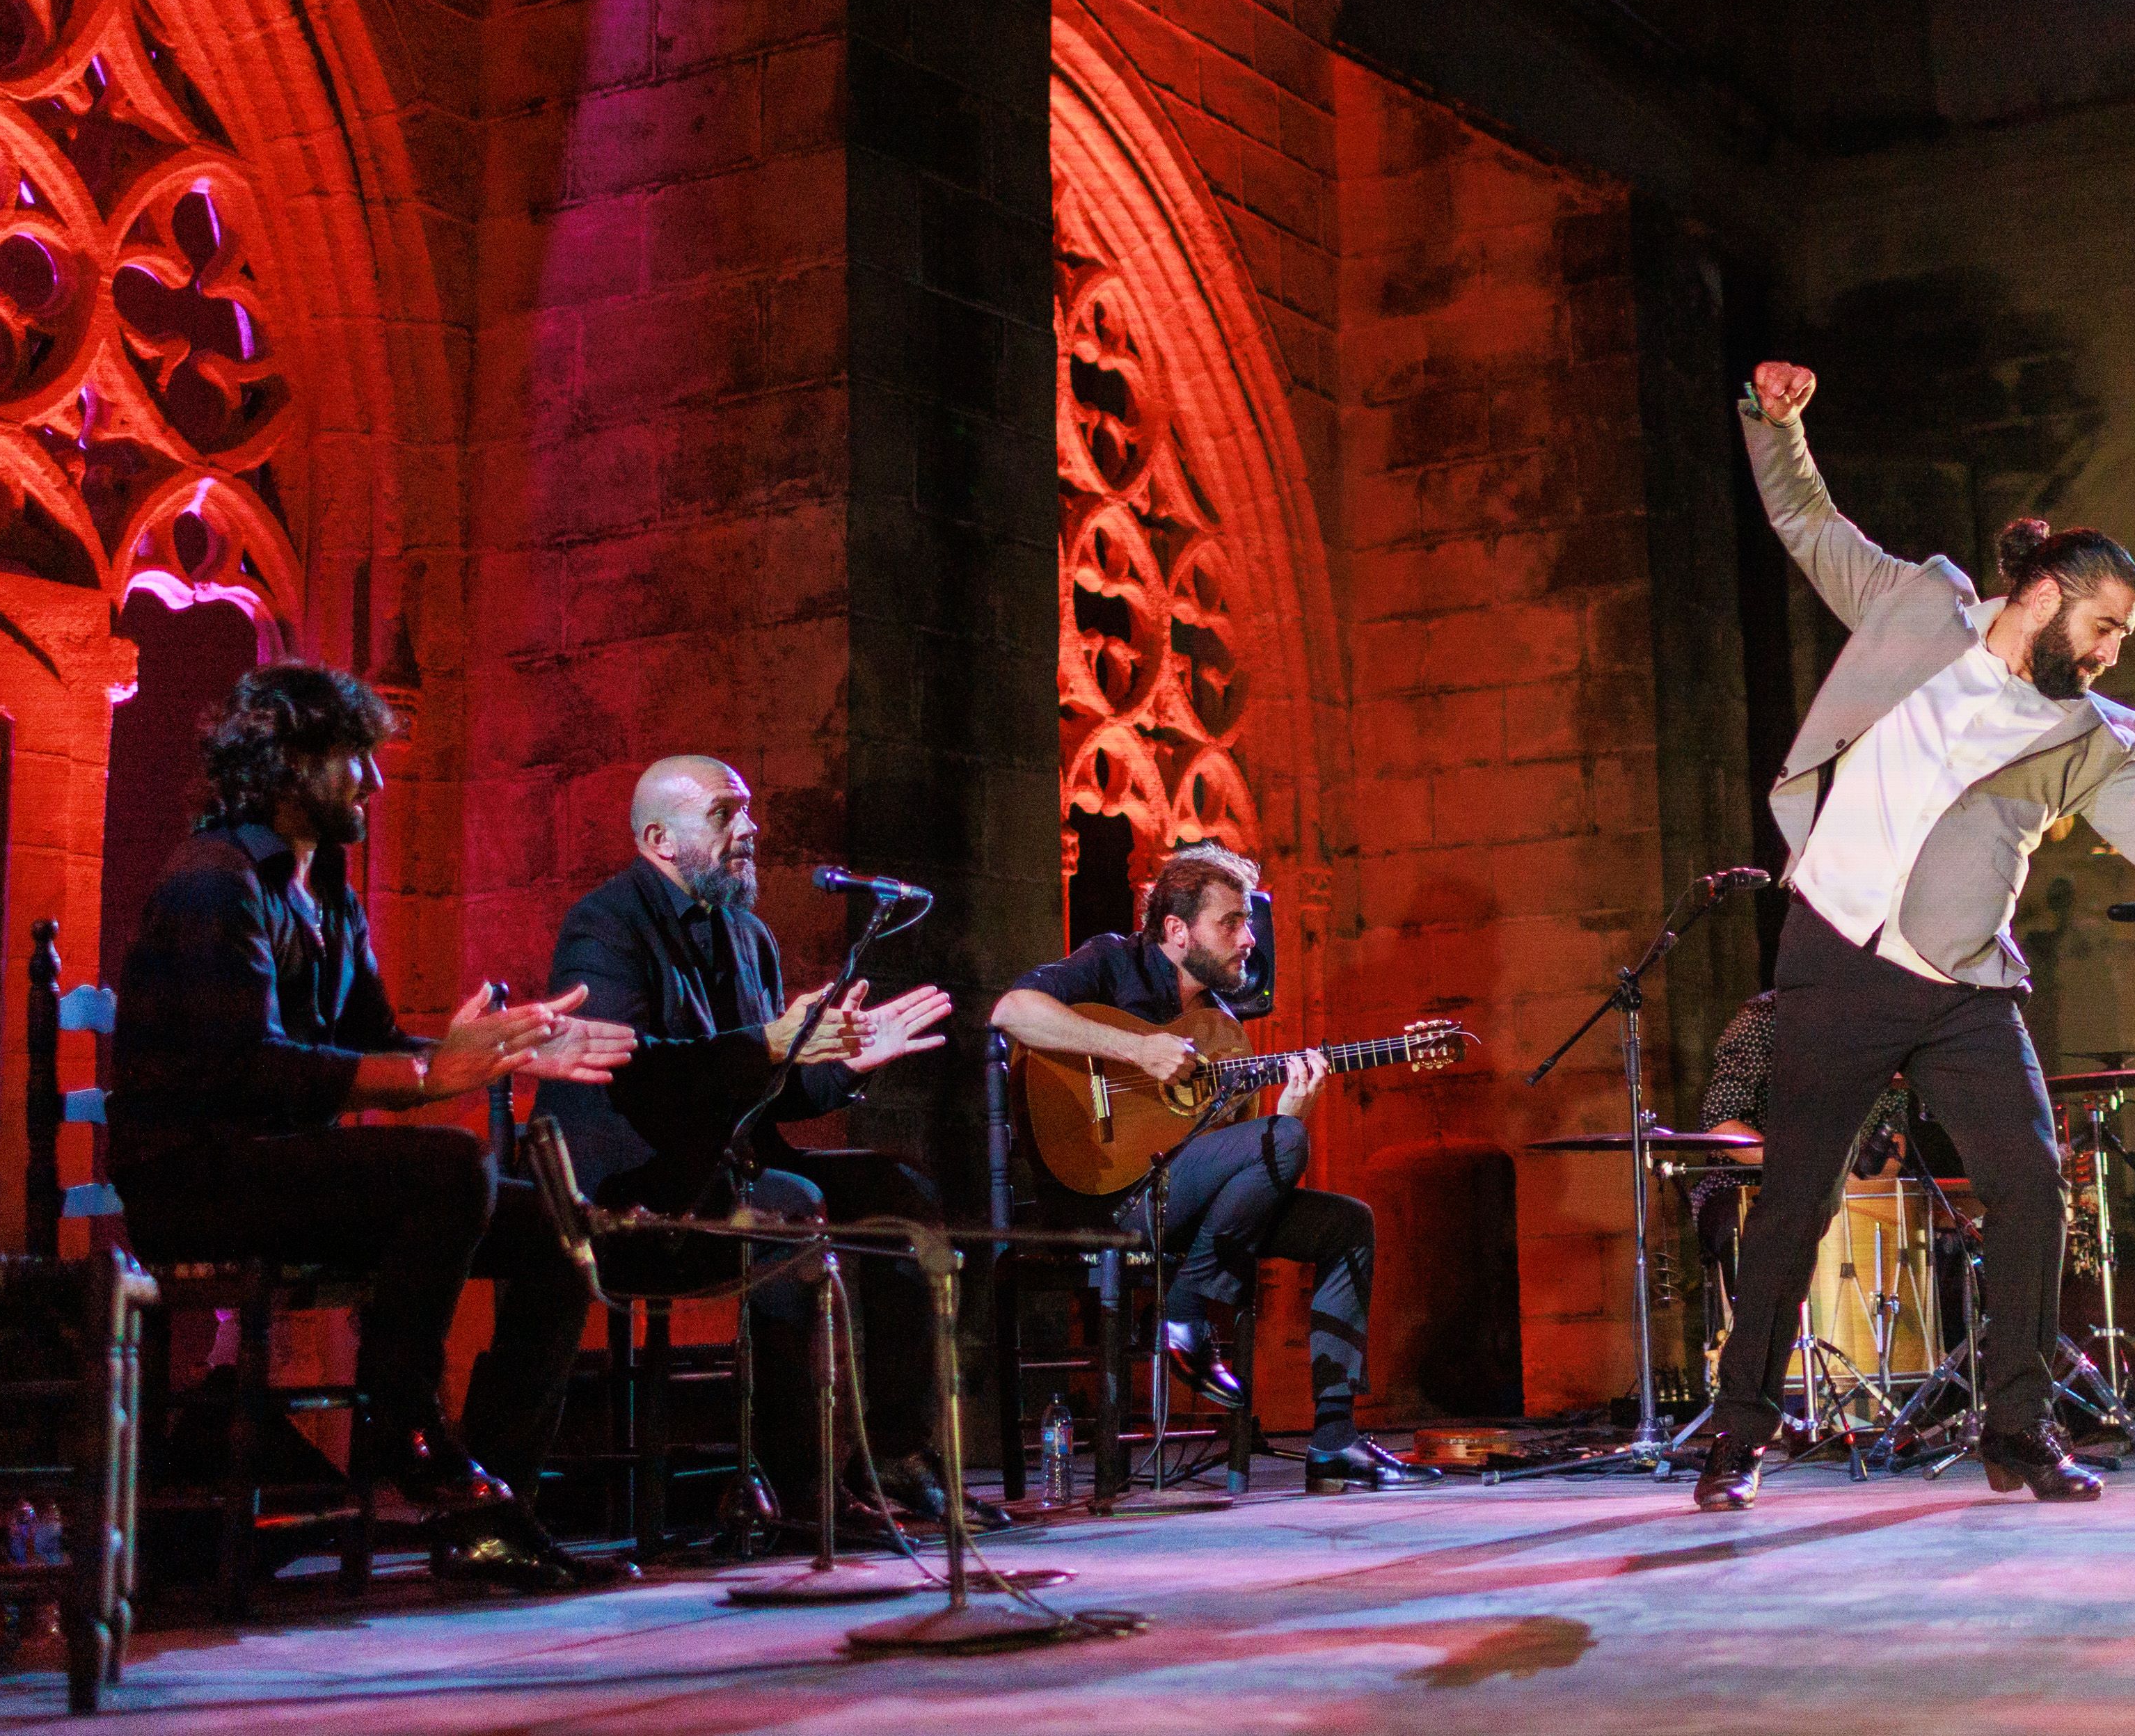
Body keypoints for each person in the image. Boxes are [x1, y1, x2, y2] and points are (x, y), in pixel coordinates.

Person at [1696, 360, 2135, 1512]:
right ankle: (1737, 1434)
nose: (2117, 650)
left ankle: (2018, 1428)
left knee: (2031, 1184)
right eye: (2108, 624)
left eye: (2126, 634)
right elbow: (1807, 525)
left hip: (1965, 988)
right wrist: (1780, 426)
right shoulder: (1919, 607)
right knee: (1794, 1203)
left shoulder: (2098, 734)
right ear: (2040, 595)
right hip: (1833, 960)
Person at [109, 663, 643, 1592]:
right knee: (449, 1170)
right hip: (196, 1177)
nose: (375, 781)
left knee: (565, 1228)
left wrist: (503, 1050)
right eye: (353, 757)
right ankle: (406, 1429)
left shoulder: (328, 887)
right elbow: (247, 1067)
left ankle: (491, 1510)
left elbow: (371, 1042)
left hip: (276, 1161)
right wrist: (442, 1069)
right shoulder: (213, 881)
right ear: (285, 763)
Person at [480, 756, 971, 1529]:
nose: (750, 831)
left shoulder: (746, 934)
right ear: (658, 839)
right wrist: (771, 1044)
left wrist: (839, 1067)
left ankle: (898, 1458)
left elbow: (764, 1089)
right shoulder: (605, 925)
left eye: (748, 812)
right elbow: (630, 1074)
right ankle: (805, 1497)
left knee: (897, 1197)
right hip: (634, 1189)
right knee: (791, 1208)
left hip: (732, 1171)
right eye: (724, 814)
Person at [990, 847, 1439, 1493]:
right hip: (1107, 1196)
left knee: (1347, 1223)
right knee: (1280, 1141)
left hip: (1187, 1205)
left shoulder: (1224, 1032)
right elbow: (1012, 1013)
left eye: (1247, 923)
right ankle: (1189, 1309)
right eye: (1231, 922)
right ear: (1178, 931)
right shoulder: (1113, 961)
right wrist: (1136, 1048)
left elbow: (1236, 1164)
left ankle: (1334, 1440)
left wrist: (1291, 1117)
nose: (1250, 939)